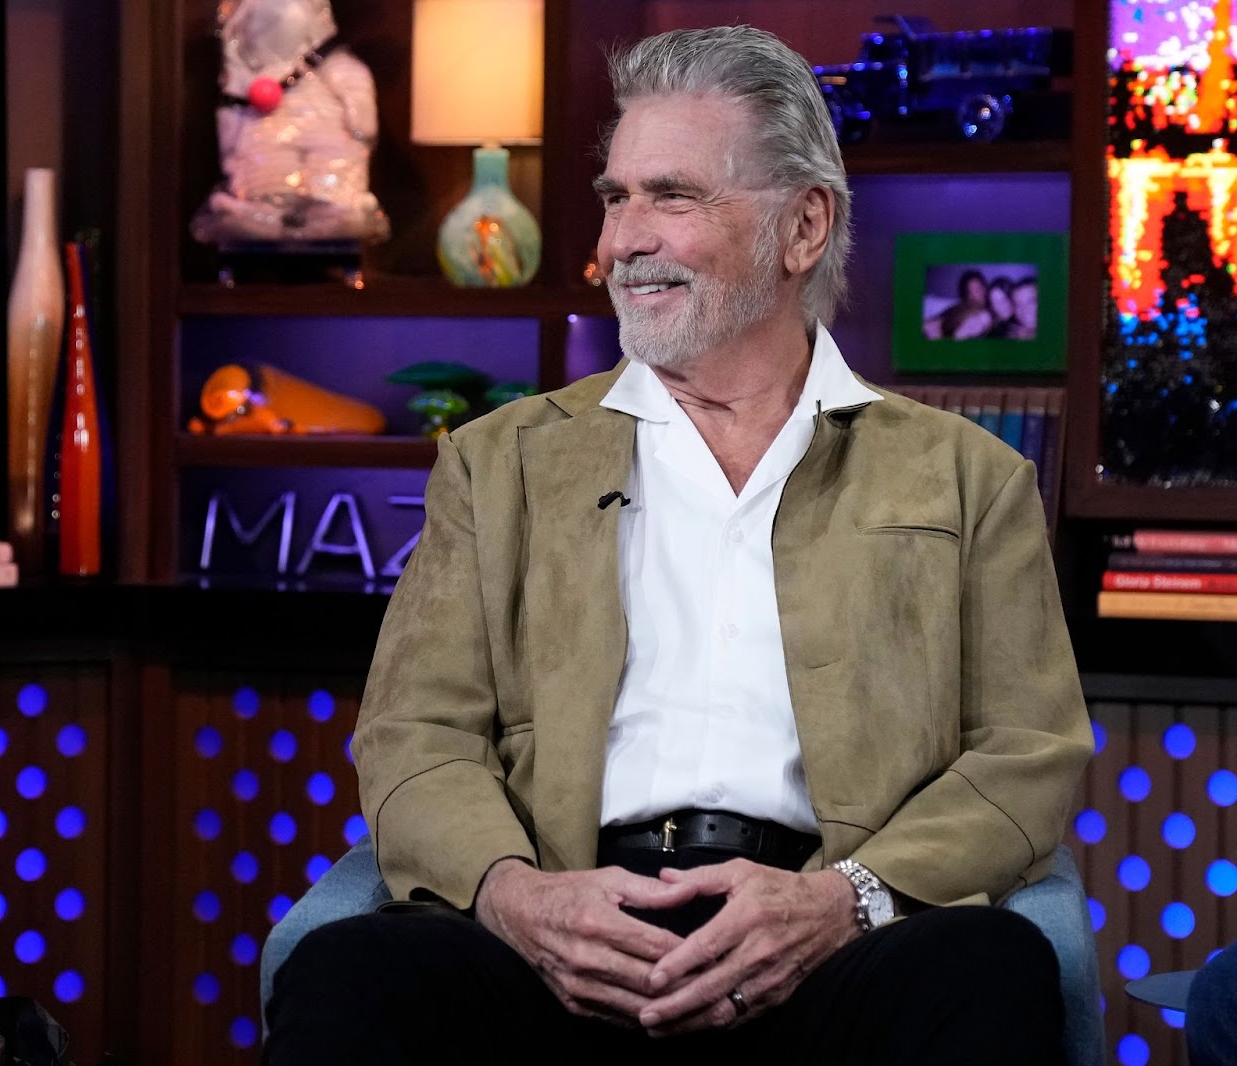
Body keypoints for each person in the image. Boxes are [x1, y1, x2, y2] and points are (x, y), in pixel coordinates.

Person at [265, 25, 1091, 1066]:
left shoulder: (967, 479)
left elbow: (1029, 754)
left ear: (802, 227)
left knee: (983, 964)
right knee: (351, 975)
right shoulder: (498, 464)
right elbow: (414, 733)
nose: (622, 241)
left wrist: (842, 903)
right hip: (566, 936)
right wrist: (516, 897)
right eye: (615, 198)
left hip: (823, 939)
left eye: (672, 195)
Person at [923, 268, 989, 339]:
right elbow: (937, 319)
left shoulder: (987, 312)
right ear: (969, 296)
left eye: (981, 286)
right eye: (976, 290)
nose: (982, 291)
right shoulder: (959, 307)